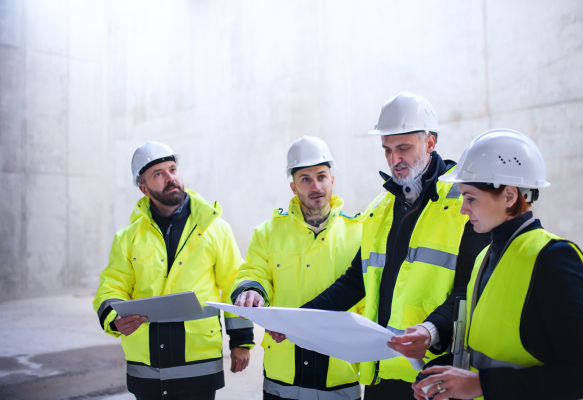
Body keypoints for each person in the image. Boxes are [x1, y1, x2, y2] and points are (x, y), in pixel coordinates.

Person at [272, 92, 490, 399]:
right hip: (383, 374)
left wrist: (431, 330)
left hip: (438, 374)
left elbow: (472, 290)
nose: (394, 160)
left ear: (430, 143)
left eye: (403, 148)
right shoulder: (380, 209)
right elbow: (355, 281)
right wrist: (299, 320)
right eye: (387, 150)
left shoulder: (463, 204)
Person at [411, 129, 583, 400]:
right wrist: (442, 374)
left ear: (510, 197)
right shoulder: (485, 256)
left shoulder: (552, 258)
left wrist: (480, 384)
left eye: (471, 198)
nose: (463, 209)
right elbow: (484, 353)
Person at [93, 142, 254, 400]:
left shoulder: (216, 229)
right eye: (159, 174)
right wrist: (113, 318)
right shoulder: (127, 238)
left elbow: (236, 284)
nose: (171, 178)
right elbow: (111, 286)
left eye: (172, 169)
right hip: (147, 365)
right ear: (143, 188)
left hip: (199, 360)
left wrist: (241, 341)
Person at [231, 136, 364, 400]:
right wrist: (253, 291)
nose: (316, 186)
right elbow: (253, 273)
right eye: (305, 179)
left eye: (322, 176)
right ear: (293, 187)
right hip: (283, 373)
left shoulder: (359, 232)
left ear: (332, 180)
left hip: (339, 372)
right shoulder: (268, 232)